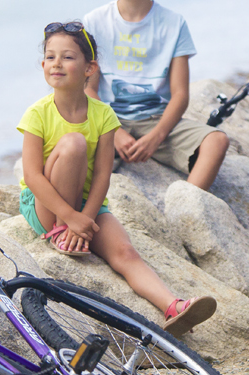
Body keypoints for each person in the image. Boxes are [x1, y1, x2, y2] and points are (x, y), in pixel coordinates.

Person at [18, 20, 216, 335]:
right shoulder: (37, 114)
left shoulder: (103, 115)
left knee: (125, 252)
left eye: (68, 57)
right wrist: (69, 217)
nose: (57, 63)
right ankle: (61, 232)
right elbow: (31, 176)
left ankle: (173, 307)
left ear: (89, 68)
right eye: (51, 57)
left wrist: (86, 216)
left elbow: (101, 175)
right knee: (73, 143)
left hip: (86, 205)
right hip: (47, 206)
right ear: (43, 65)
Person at [84, 0, 230, 191]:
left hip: (157, 121)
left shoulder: (174, 24)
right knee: (68, 145)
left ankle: (186, 207)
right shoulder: (95, 22)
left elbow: (180, 94)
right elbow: (88, 89)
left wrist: (157, 136)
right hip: (107, 119)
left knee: (216, 141)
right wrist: (114, 132)